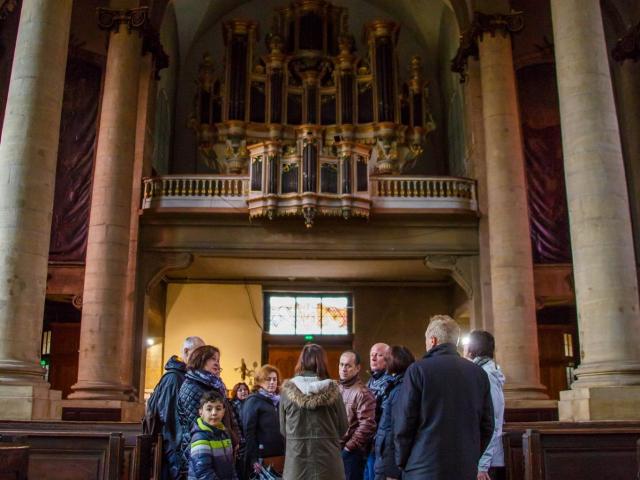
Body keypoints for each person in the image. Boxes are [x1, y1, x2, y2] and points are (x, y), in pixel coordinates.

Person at [394, 315, 494, 480]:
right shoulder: (478, 373)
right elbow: (487, 425)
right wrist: (471, 457)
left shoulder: (418, 370)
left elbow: (404, 422)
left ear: (432, 340)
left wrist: (404, 462)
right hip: (464, 468)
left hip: (422, 467)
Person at [279, 343, 349, 480]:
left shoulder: (287, 391)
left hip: (297, 464)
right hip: (328, 464)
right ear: (323, 362)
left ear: (302, 362)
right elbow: (343, 427)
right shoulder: (333, 390)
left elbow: (283, 430)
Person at [145, 336, 204, 480]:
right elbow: (171, 422)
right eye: (199, 353)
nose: (202, 358)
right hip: (174, 452)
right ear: (186, 351)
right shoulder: (173, 378)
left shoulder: (186, 376)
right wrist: (181, 456)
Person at [178, 345, 240, 475]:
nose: (217, 363)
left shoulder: (214, 384)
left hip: (218, 443)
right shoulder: (192, 385)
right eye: (213, 359)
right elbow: (197, 423)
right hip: (202, 446)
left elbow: (228, 414)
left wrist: (235, 439)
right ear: (201, 359)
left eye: (218, 360)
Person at [465, 330, 506, 480]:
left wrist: (482, 465)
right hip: (482, 457)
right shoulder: (480, 371)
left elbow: (492, 420)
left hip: (487, 462)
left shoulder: (486, 375)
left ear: (472, 348)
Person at [373, 346, 414, 480]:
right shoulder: (397, 385)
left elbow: (397, 430)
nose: (384, 361)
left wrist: (392, 470)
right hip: (386, 458)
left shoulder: (400, 389)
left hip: (390, 462)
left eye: (386, 358)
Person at [338, 350, 376, 480]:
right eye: (341, 364)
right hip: (336, 449)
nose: (344, 369)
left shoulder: (363, 393)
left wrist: (349, 448)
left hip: (351, 454)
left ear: (358, 368)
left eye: (348, 365)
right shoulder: (337, 388)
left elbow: (368, 425)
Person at [242, 365, 286, 476]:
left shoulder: (279, 400)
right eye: (268, 379)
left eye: (274, 379)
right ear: (260, 381)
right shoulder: (253, 401)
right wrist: (253, 459)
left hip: (280, 455)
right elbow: (248, 433)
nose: (272, 382)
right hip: (261, 457)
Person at [188, 390, 238, 480]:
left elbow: (231, 467)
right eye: (209, 409)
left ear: (223, 412)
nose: (214, 413)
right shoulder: (200, 437)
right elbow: (204, 473)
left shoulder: (224, 434)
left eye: (218, 409)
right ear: (201, 412)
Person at [364, 342, 393, 480]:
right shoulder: (370, 382)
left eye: (379, 355)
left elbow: (385, 418)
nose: (374, 358)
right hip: (366, 444)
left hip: (379, 446)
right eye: (372, 355)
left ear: (388, 359)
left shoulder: (390, 383)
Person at [230, 382, 249, 479]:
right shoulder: (233, 405)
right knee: (241, 468)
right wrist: (240, 440)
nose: (243, 392)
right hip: (240, 442)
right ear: (235, 392)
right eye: (240, 390)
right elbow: (235, 424)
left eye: (245, 389)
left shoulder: (250, 403)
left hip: (250, 440)